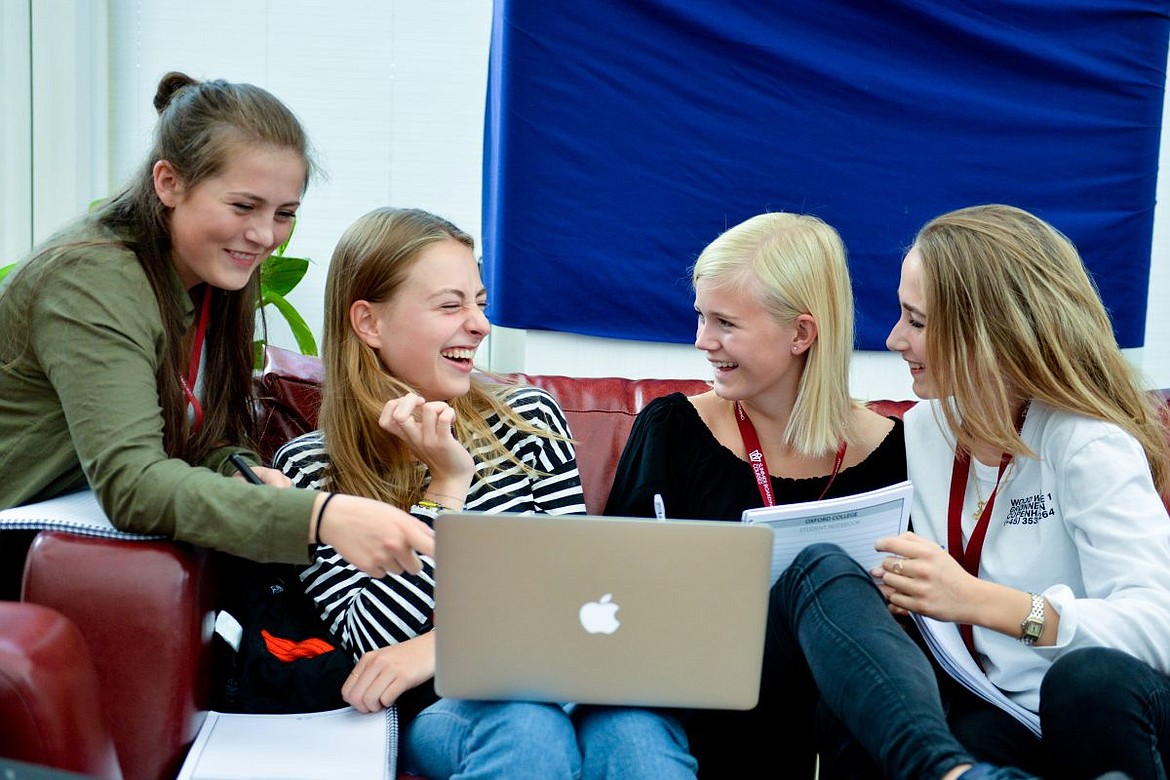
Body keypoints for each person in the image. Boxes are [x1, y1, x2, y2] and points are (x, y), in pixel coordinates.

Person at [274, 206, 697, 780]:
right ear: (369, 323)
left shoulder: (527, 421)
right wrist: (447, 488)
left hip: (564, 679)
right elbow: (374, 640)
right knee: (525, 724)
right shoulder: (310, 471)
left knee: (634, 730)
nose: (480, 325)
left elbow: (577, 599)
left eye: (479, 301)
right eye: (451, 305)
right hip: (446, 709)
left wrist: (441, 645)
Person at [0, 72, 432, 599]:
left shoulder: (211, 271)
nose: (264, 235)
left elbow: (208, 436)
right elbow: (131, 485)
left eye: (285, 214)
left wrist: (238, 470)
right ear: (169, 183)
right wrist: (320, 516)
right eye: (243, 206)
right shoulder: (89, 280)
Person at [604, 211, 907, 778]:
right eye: (700, 316)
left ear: (801, 333)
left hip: (844, 709)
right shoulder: (672, 430)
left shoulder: (900, 452)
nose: (702, 341)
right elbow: (613, 599)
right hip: (708, 705)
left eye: (725, 322)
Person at [874, 203, 1170, 779]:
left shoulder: (1085, 442)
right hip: (1003, 711)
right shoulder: (921, 431)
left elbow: (1159, 627)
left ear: (988, 332)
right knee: (951, 728)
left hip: (1105, 709)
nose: (892, 340)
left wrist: (983, 602)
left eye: (917, 321)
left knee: (1085, 683)